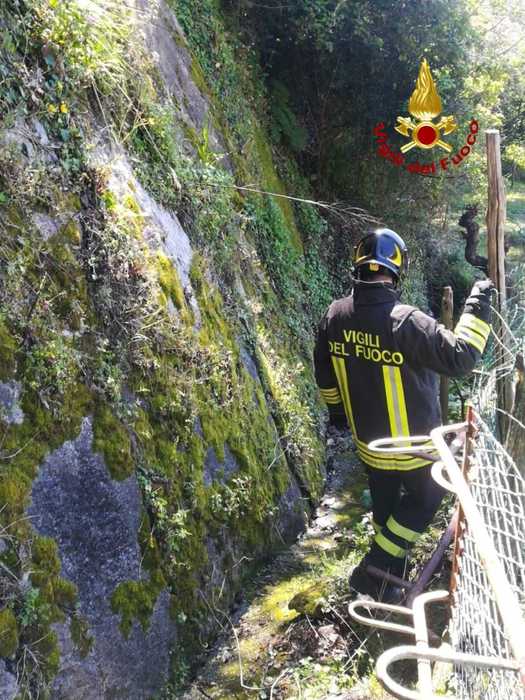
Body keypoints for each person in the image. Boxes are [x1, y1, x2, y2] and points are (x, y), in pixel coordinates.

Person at [313, 228, 493, 601]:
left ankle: (387, 583)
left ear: (357, 265)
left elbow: (325, 378)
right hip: (415, 449)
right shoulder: (407, 321)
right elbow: (461, 358)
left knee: (386, 512)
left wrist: (339, 416)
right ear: (398, 270)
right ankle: (371, 570)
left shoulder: (334, 315)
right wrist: (477, 305)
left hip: (370, 445)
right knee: (426, 500)